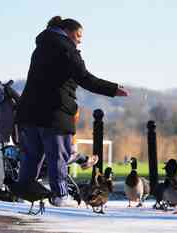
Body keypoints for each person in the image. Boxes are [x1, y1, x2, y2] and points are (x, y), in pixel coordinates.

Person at [16, 16, 128, 207]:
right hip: (54, 112)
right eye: (78, 35)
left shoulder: (41, 46)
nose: (80, 40)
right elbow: (84, 78)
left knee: (31, 156)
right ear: (67, 31)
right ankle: (60, 195)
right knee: (58, 155)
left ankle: (24, 193)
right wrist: (112, 89)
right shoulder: (66, 48)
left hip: (29, 112)